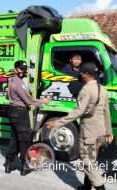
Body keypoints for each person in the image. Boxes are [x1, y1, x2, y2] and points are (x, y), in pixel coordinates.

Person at [47, 62, 113, 190]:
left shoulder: (86, 89)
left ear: (86, 74)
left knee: (87, 161)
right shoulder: (102, 89)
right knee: (91, 159)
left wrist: (57, 122)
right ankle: (86, 187)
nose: (80, 74)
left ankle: (100, 187)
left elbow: (78, 111)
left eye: (82, 72)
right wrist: (108, 132)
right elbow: (107, 112)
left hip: (88, 131)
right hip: (99, 131)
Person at [5, 60, 50, 176]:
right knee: (24, 140)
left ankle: (9, 163)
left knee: (15, 139)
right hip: (20, 113)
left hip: (13, 111)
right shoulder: (18, 83)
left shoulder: (11, 81)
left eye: (25, 69)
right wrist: (42, 102)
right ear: (15, 69)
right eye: (21, 69)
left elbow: (7, 96)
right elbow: (27, 100)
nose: (23, 71)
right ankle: (25, 165)